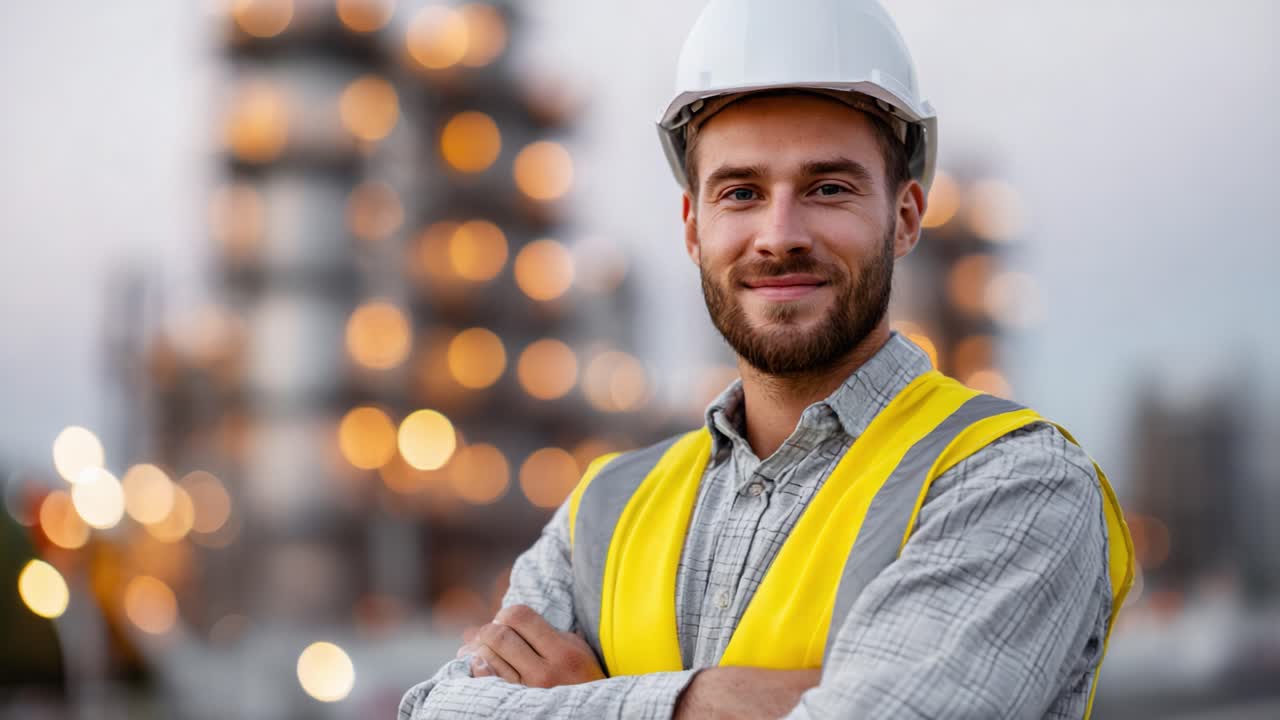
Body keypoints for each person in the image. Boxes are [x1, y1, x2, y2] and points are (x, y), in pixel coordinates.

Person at [399, 0, 1133, 717]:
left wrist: (579, 700)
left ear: (905, 218)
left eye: (829, 188)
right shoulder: (607, 508)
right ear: (694, 226)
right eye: (742, 192)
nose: (779, 235)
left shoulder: (1012, 480)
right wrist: (718, 703)